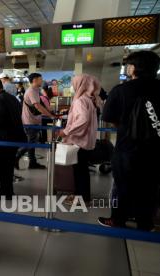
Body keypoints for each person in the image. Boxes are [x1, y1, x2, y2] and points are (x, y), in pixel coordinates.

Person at [98, 51, 160, 231]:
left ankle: (118, 219)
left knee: (122, 184)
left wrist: (124, 127)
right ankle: (145, 223)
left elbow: (108, 115)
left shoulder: (121, 90)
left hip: (127, 148)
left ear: (132, 68)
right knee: (150, 186)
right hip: (155, 149)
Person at [57, 74, 100, 204]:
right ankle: (80, 195)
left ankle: (83, 198)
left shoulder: (80, 100)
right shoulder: (91, 99)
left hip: (79, 141)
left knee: (80, 171)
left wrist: (66, 131)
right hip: (86, 141)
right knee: (81, 170)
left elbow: (82, 119)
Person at [0, 78, 27, 199]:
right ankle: (7, 190)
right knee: (8, 166)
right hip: (14, 137)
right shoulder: (11, 97)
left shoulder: (0, 100)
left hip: (4, 138)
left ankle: (6, 192)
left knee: (1, 165)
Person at [16, 73, 57, 169]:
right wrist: (50, 116)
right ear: (34, 80)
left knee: (33, 141)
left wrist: (50, 111)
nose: (42, 81)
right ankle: (17, 155)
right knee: (32, 142)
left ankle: (32, 162)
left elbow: (41, 103)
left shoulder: (36, 90)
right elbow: (37, 106)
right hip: (30, 121)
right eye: (40, 79)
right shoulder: (31, 91)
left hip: (35, 119)